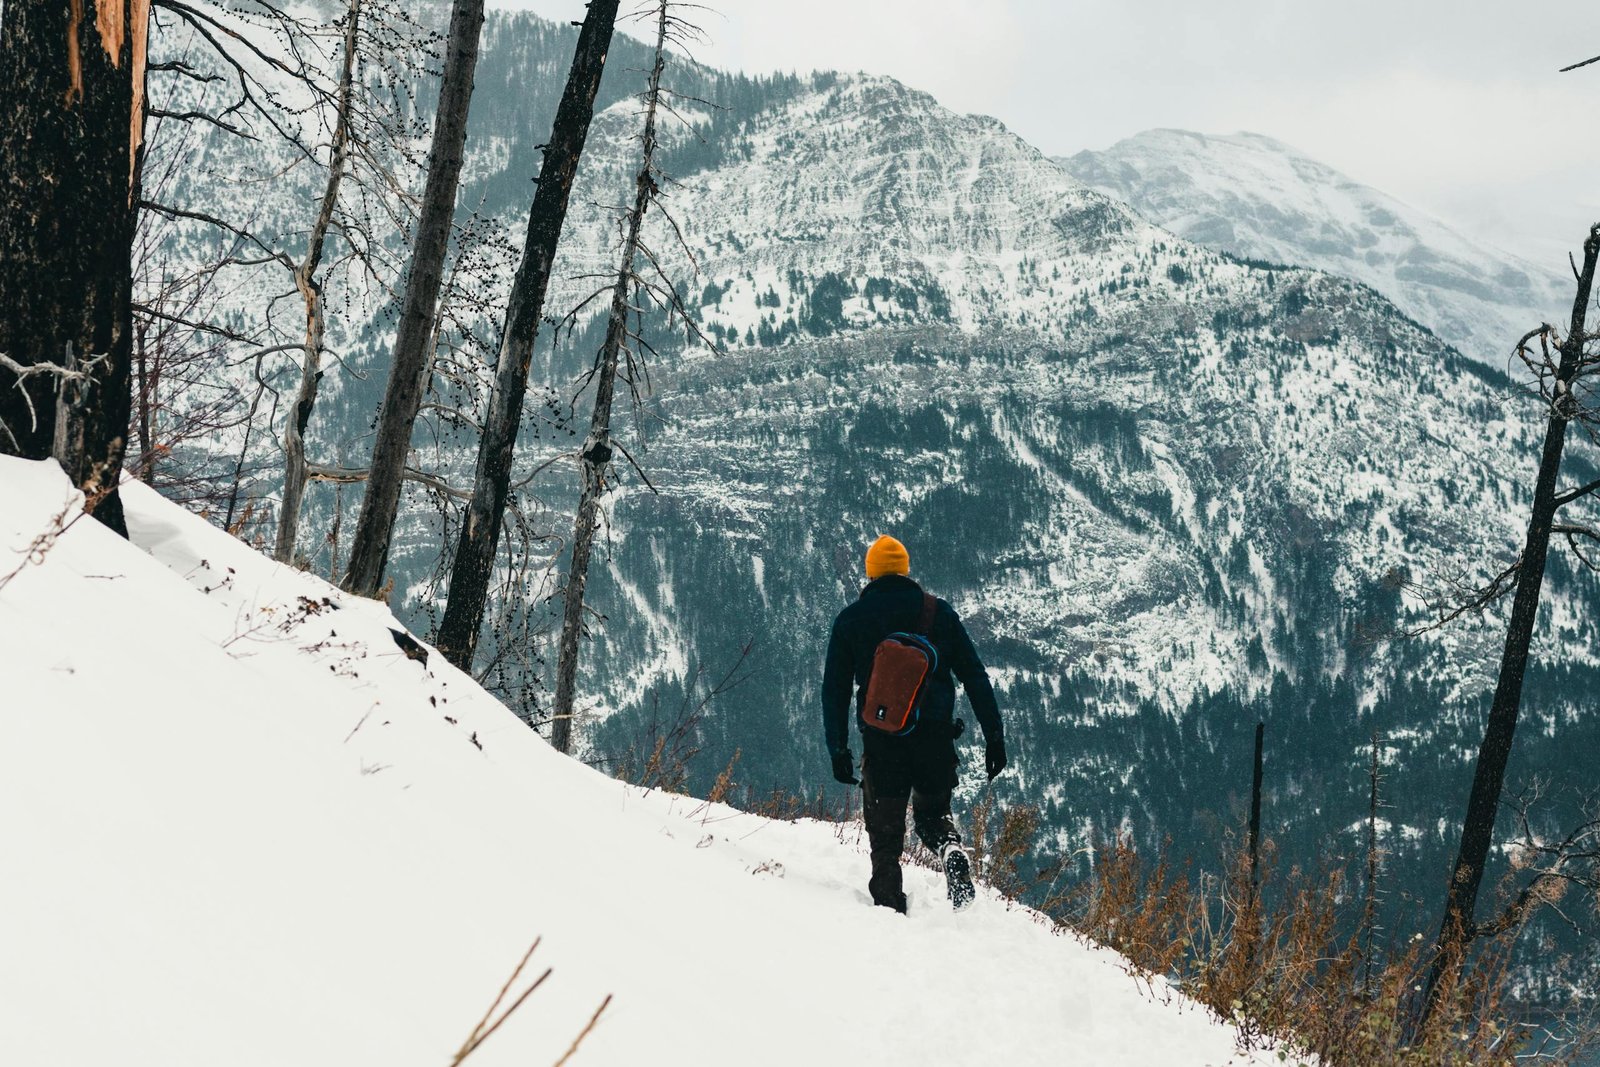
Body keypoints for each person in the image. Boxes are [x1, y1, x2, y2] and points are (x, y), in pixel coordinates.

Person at [820, 534, 1007, 913]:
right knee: (932, 815)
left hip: (883, 740)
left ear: (871, 574)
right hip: (935, 738)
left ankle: (890, 908)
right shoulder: (938, 614)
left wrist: (838, 747)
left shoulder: (851, 620)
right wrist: (994, 736)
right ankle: (950, 848)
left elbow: (834, 690)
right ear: (905, 571)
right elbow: (975, 676)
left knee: (886, 833)